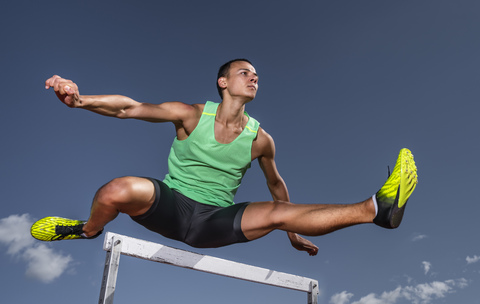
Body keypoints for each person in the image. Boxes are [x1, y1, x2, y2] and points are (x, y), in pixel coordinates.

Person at [31, 59, 418, 256]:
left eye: (257, 77)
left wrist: (294, 235)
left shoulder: (260, 139)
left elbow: (277, 186)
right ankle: (87, 230)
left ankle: (375, 209)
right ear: (223, 81)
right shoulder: (191, 114)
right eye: (245, 73)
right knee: (116, 189)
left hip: (215, 221)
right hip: (172, 205)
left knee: (275, 210)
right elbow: (129, 108)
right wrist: (80, 101)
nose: (254, 79)